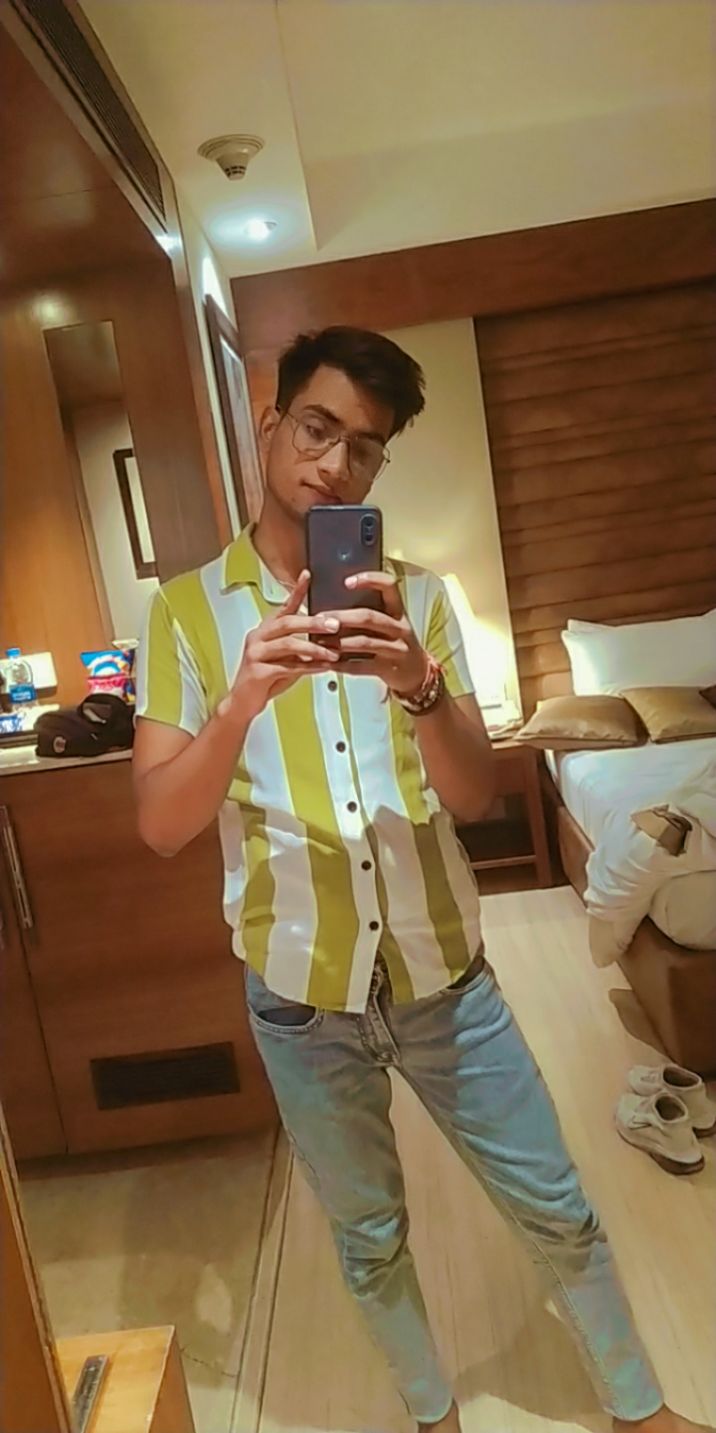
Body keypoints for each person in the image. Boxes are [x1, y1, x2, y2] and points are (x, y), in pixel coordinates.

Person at [133, 326, 710, 1433]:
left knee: (557, 1203)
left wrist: (420, 685)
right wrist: (239, 703)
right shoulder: (185, 613)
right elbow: (162, 823)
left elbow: (477, 794)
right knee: (368, 1238)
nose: (334, 463)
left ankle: (639, 1412)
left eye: (364, 446)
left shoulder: (421, 601)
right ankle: (431, 1417)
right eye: (317, 428)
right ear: (271, 425)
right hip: (300, 998)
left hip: (445, 974)